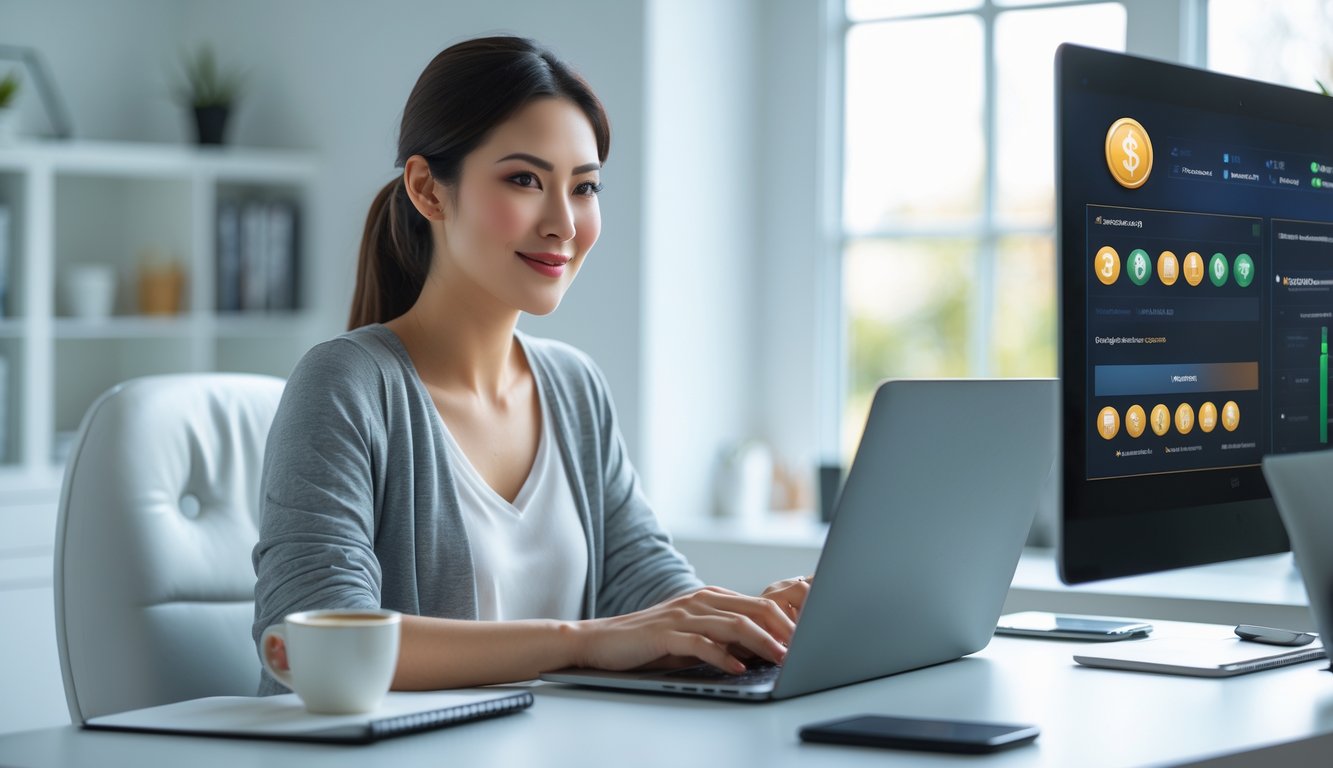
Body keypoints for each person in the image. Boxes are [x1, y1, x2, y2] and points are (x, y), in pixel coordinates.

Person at [252, 35, 809, 695]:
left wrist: (752, 622)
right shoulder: (345, 384)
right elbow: (315, 640)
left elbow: (650, 594)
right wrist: (583, 642)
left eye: (584, 187)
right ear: (428, 190)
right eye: (524, 180)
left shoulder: (574, 386)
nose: (563, 224)